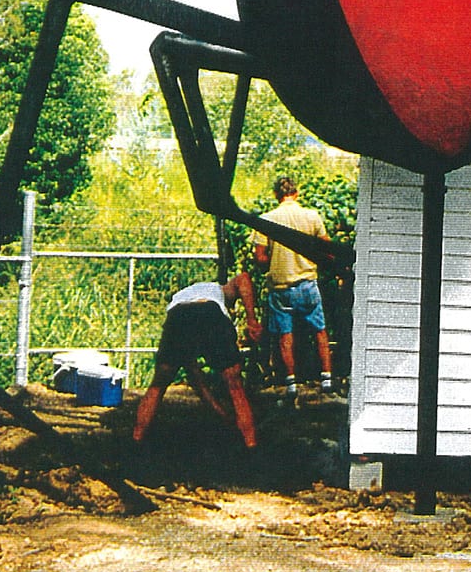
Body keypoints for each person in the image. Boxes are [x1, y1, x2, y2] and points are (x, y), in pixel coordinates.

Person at [133, 272, 261, 448]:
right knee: (236, 387)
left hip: (178, 317)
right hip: (210, 312)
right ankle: (251, 445)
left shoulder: (181, 297)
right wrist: (252, 321)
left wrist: (220, 413)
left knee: (157, 385)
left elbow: (196, 379)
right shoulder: (218, 290)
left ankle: (136, 441)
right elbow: (244, 278)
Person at [251, 176, 333, 398]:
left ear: (276, 195)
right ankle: (327, 379)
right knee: (320, 331)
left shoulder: (266, 220)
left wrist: (273, 259)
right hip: (307, 282)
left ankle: (291, 384)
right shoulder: (311, 216)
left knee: (285, 335)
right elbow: (327, 248)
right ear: (296, 193)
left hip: (281, 286)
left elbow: (259, 258)